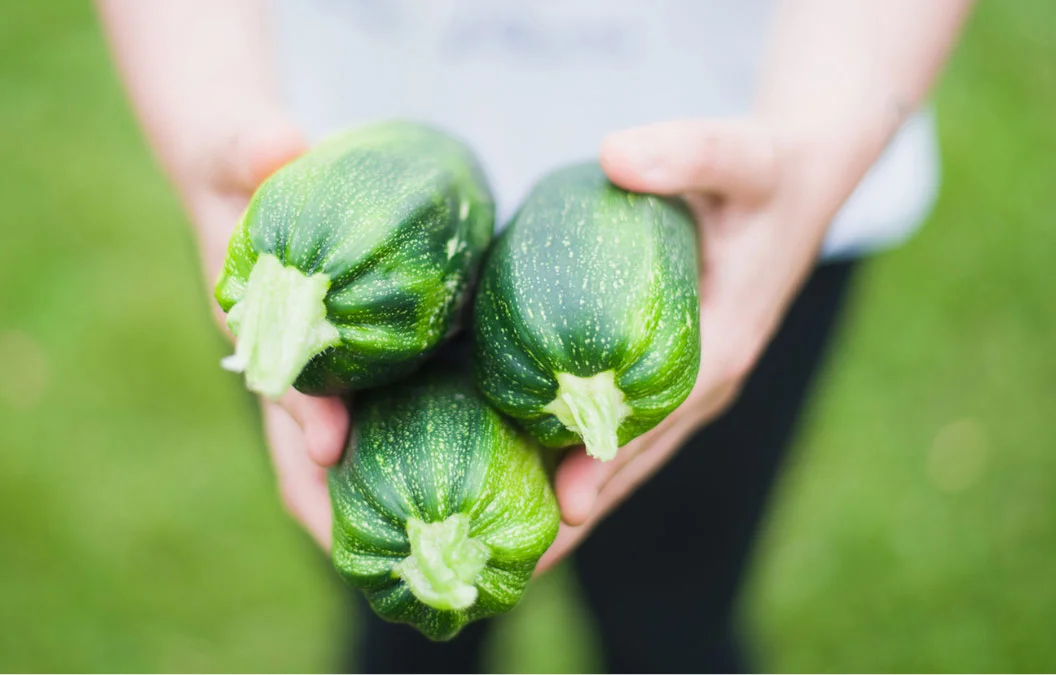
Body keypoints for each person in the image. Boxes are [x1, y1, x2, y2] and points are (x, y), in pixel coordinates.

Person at [99, 1, 973, 671]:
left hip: (744, 183)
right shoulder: (298, 264)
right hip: (329, 164)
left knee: (674, 616)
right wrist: (204, 114)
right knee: (404, 624)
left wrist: (820, 147)